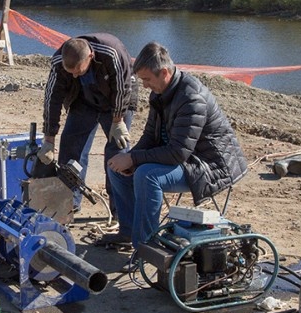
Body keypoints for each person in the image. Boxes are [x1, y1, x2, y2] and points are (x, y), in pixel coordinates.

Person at [104, 42, 248, 249]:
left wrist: (134, 159)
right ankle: (128, 232)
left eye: (147, 79)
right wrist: (129, 158)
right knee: (117, 168)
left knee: (147, 175)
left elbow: (178, 152)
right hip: (185, 159)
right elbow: (149, 137)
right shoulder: (160, 93)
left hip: (209, 166)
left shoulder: (191, 98)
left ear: (164, 73)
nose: (144, 86)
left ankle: (145, 247)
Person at [38, 34, 137, 213]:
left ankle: (121, 211)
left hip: (118, 99)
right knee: (70, 148)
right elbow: (52, 98)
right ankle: (68, 205)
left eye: (78, 71)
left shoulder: (111, 52)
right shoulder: (59, 62)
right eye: (71, 73)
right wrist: (49, 139)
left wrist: (118, 120)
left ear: (90, 57)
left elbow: (123, 87)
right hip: (84, 99)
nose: (74, 75)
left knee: (118, 152)